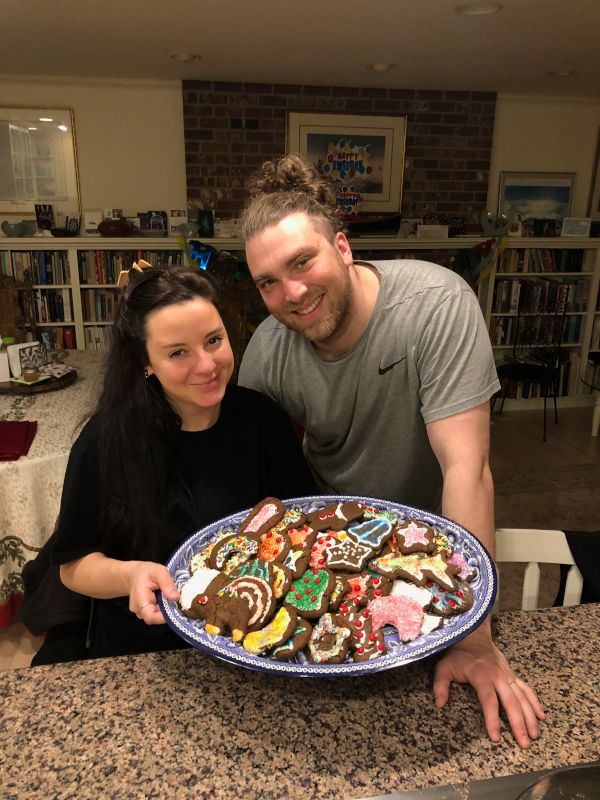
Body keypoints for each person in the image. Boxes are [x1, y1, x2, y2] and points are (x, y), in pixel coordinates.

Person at [237, 155, 545, 748]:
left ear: (344, 248)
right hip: (335, 558)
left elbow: (467, 469)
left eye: (304, 262)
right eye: (267, 282)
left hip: (435, 552)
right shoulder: (269, 349)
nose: (291, 294)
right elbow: (260, 481)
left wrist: (475, 638)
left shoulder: (435, 306)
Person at [31, 266, 316, 664]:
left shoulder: (263, 420)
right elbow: (72, 566)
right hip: (147, 650)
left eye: (214, 340)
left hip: (254, 642)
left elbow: (303, 520)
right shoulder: (105, 441)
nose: (206, 365)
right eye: (178, 352)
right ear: (145, 362)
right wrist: (130, 575)